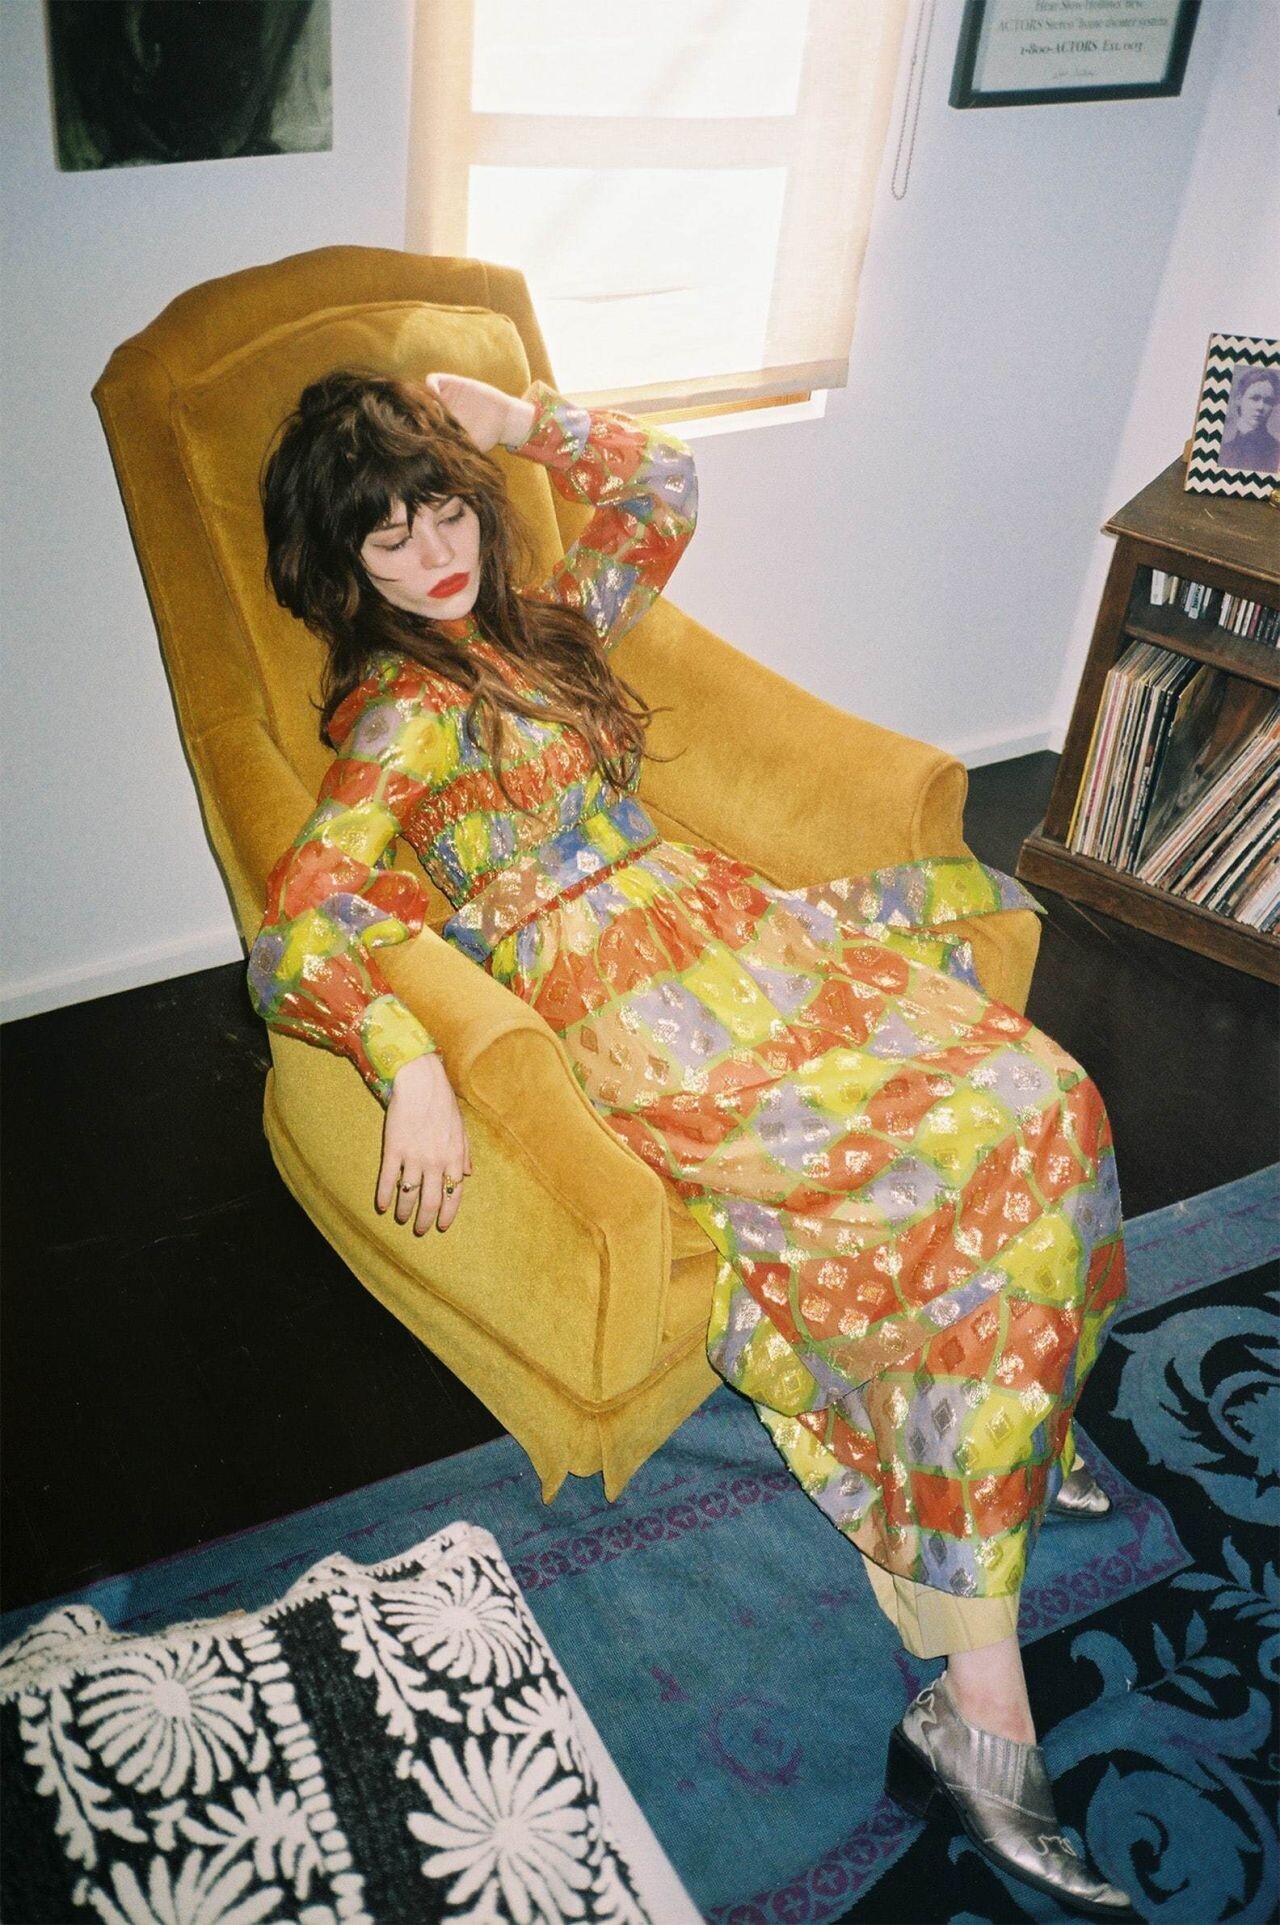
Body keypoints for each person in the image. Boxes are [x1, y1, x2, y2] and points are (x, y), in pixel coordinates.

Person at [249, 368, 1135, 1919]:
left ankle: (1015, 1421)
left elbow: (663, 484)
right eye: (390, 538)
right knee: (941, 1164)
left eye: (445, 510)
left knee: (1046, 1097)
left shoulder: (542, 624)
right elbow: (295, 925)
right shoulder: (400, 710)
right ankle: (979, 1703)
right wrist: (409, 1059)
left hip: (732, 931)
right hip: (634, 1016)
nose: (435, 553)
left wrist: (514, 418)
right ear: (347, 570)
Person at [1218, 368, 1280, 474]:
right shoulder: (1222, 451)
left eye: (1268, 401)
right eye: (1255, 398)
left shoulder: (1276, 451)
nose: (1261, 407)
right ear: (1239, 399)